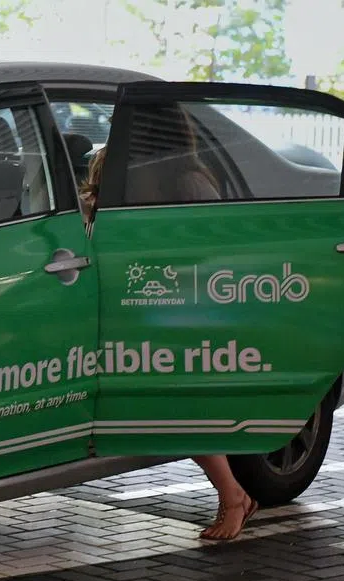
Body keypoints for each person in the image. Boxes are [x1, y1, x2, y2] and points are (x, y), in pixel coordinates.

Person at [78, 104, 258, 541]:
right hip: (130, 308)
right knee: (172, 407)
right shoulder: (118, 170)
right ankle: (234, 496)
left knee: (179, 407)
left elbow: (211, 250)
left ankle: (234, 497)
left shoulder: (188, 181)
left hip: (178, 313)